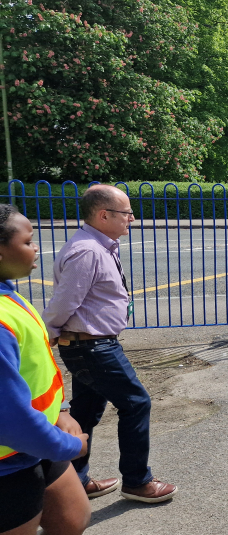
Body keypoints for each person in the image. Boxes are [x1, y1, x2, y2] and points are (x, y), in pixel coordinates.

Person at [42, 185, 177, 503]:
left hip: (91, 344)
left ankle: (74, 481)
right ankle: (137, 481)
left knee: (85, 413)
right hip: (92, 347)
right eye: (127, 213)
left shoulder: (100, 245)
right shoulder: (88, 251)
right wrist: (47, 334)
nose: (132, 218)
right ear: (104, 215)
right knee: (136, 403)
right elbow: (63, 303)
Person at [0, 204, 91, 535]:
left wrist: (61, 410)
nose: (36, 248)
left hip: (40, 439)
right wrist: (70, 446)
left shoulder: (9, 295)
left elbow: (36, 367)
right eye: (27, 242)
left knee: (73, 518)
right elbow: (9, 419)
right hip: (10, 459)